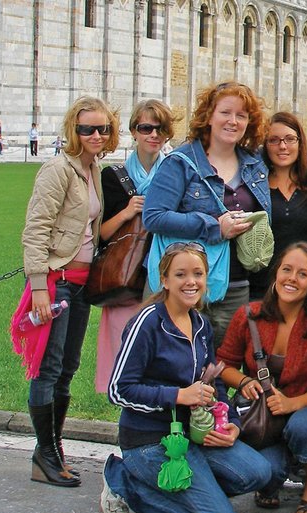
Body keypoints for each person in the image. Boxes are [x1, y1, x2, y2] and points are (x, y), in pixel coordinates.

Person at [100, 242, 272, 513]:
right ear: (164, 280)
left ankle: (190, 486)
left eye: (198, 274)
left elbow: (215, 380)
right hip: (150, 440)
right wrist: (179, 395)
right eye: (180, 274)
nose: (191, 282)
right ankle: (124, 481)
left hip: (192, 435)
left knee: (259, 472)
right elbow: (118, 389)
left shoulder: (201, 324)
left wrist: (231, 422)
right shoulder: (147, 323)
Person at [13, 96, 119, 488]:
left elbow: (92, 230)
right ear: (72, 131)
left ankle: (52, 448)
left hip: (78, 286)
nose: (96, 135)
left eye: (103, 129)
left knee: (68, 367)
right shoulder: (58, 169)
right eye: (87, 128)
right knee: (48, 368)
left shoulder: (95, 169)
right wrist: (39, 286)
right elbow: (36, 228)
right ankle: (45, 453)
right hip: (55, 282)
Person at [218, 243, 307, 513]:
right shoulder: (249, 315)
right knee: (268, 476)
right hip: (262, 422)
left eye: (302, 274)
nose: (291, 279)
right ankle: (279, 472)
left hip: (306, 415)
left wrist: (290, 403)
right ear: (276, 274)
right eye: (286, 270)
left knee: (306, 426)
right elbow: (223, 364)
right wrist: (242, 382)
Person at [143, 81, 271, 347]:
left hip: (235, 284)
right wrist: (214, 226)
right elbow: (153, 216)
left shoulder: (254, 163)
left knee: (223, 368)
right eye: (225, 112)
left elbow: (292, 164)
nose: (233, 121)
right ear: (209, 116)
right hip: (185, 285)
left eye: (241, 115)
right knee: (177, 365)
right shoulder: (181, 162)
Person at [95, 99, 174, 394]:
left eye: (160, 129)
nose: (153, 134)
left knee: (161, 355)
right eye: (146, 128)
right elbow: (101, 234)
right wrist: (128, 212)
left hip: (161, 275)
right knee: (124, 355)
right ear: (134, 132)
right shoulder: (112, 177)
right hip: (125, 276)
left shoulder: (176, 172)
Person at [252, 111, 307, 299]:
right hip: (261, 288)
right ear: (265, 146)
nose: (282, 146)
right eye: (274, 140)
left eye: (290, 139)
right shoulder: (253, 185)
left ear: (300, 142)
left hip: (304, 287)